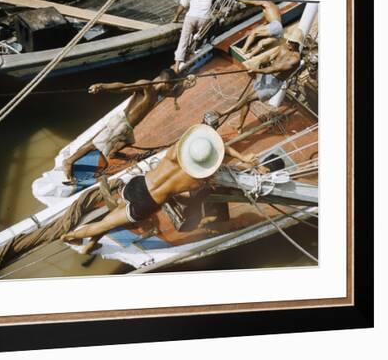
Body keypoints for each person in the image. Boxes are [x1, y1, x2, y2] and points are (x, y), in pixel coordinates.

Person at [61, 124, 260, 254]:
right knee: (105, 225)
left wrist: (241, 158)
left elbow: (219, 145)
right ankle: (69, 237)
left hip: (137, 184)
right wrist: (244, 160)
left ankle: (88, 244)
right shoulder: (198, 179)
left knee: (110, 218)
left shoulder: (176, 151)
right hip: (147, 203)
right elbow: (217, 170)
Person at [62, 68, 188, 183]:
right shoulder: (147, 86)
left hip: (127, 127)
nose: (170, 90)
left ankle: (113, 153)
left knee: (126, 141)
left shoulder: (158, 92)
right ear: (166, 83)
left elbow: (174, 93)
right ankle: (69, 161)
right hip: (121, 123)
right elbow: (123, 87)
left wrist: (185, 85)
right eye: (170, 87)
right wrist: (102, 86)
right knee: (95, 144)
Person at [216, 26, 303, 134]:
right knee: (246, 100)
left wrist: (256, 70)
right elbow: (270, 57)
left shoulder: (295, 59)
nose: (288, 43)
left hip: (273, 84)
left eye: (292, 42)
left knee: (246, 99)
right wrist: (261, 62)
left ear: (297, 43)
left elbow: (275, 68)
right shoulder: (284, 46)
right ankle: (240, 126)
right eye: (289, 40)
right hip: (265, 76)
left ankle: (221, 113)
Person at [172, 0, 214, 72]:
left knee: (183, 40)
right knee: (198, 40)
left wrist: (176, 17)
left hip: (191, 17)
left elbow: (183, 5)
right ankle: (191, 58)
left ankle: (176, 67)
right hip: (205, 18)